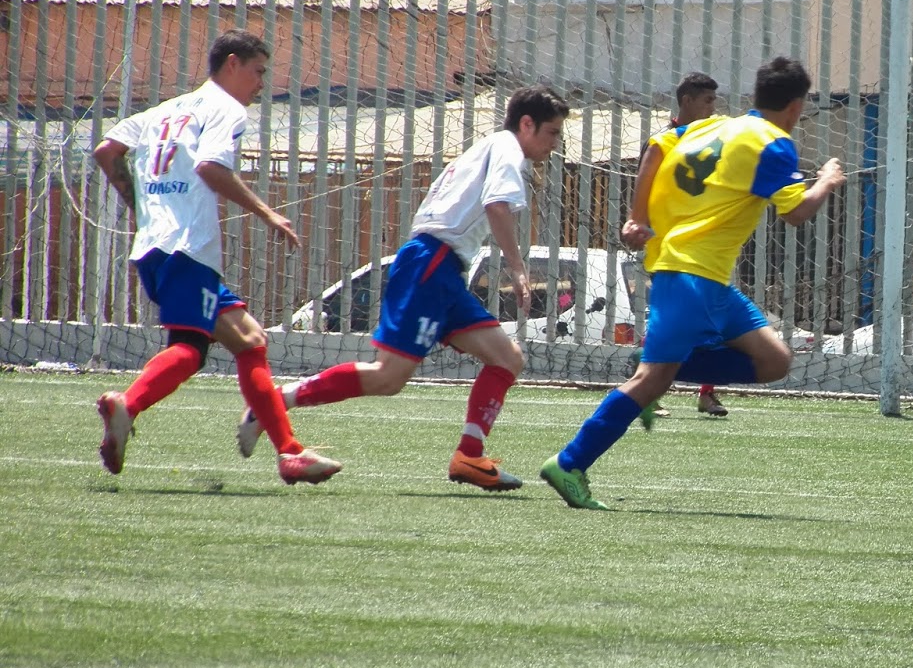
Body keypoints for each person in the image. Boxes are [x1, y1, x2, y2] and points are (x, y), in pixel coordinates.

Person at [542, 56, 845, 509]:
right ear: (796, 106)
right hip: (690, 275)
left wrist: (637, 216)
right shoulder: (774, 143)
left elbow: (656, 147)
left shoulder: (711, 125)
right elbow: (797, 212)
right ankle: (569, 463)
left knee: (774, 360)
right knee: (650, 379)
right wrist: (826, 181)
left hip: (709, 280)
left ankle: (659, 370)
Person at [236, 86, 569, 491]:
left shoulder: (489, 148)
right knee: (388, 378)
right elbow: (496, 205)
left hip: (442, 267)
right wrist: (517, 268)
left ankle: (469, 455)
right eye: (552, 133)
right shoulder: (508, 149)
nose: (556, 143)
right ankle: (270, 404)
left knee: (506, 358)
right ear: (526, 124)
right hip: (431, 264)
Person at [91, 29, 342, 485]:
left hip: (153, 246)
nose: (261, 84)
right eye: (258, 72)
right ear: (232, 64)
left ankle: (290, 453)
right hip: (189, 246)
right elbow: (210, 167)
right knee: (190, 348)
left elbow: (107, 151)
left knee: (249, 339)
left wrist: (140, 207)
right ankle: (127, 404)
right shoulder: (225, 108)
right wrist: (268, 213)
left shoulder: (164, 110)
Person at [621, 71, 730, 418]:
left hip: (705, 244)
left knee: (708, 317)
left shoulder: (714, 140)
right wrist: (640, 224)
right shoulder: (661, 142)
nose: (713, 108)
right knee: (679, 320)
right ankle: (647, 389)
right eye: (707, 101)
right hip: (670, 248)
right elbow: (645, 191)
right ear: (687, 101)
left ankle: (703, 393)